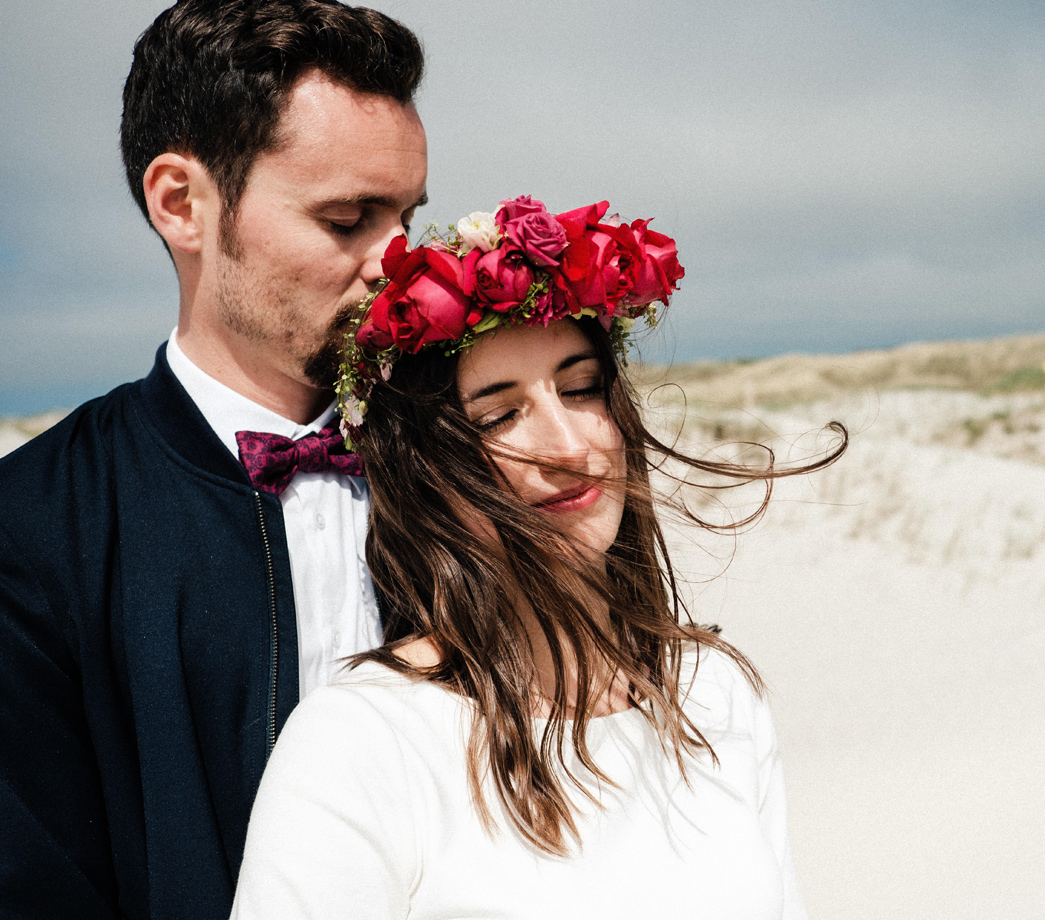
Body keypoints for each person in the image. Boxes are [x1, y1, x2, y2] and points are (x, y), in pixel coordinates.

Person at [228, 198, 845, 918]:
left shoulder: (713, 693)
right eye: (499, 414)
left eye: (581, 389)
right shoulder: (362, 744)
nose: (569, 446)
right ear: (428, 473)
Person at [0, 2, 426, 917]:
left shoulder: (470, 479)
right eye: (349, 218)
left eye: (406, 217)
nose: (400, 266)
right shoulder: (32, 528)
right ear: (181, 203)